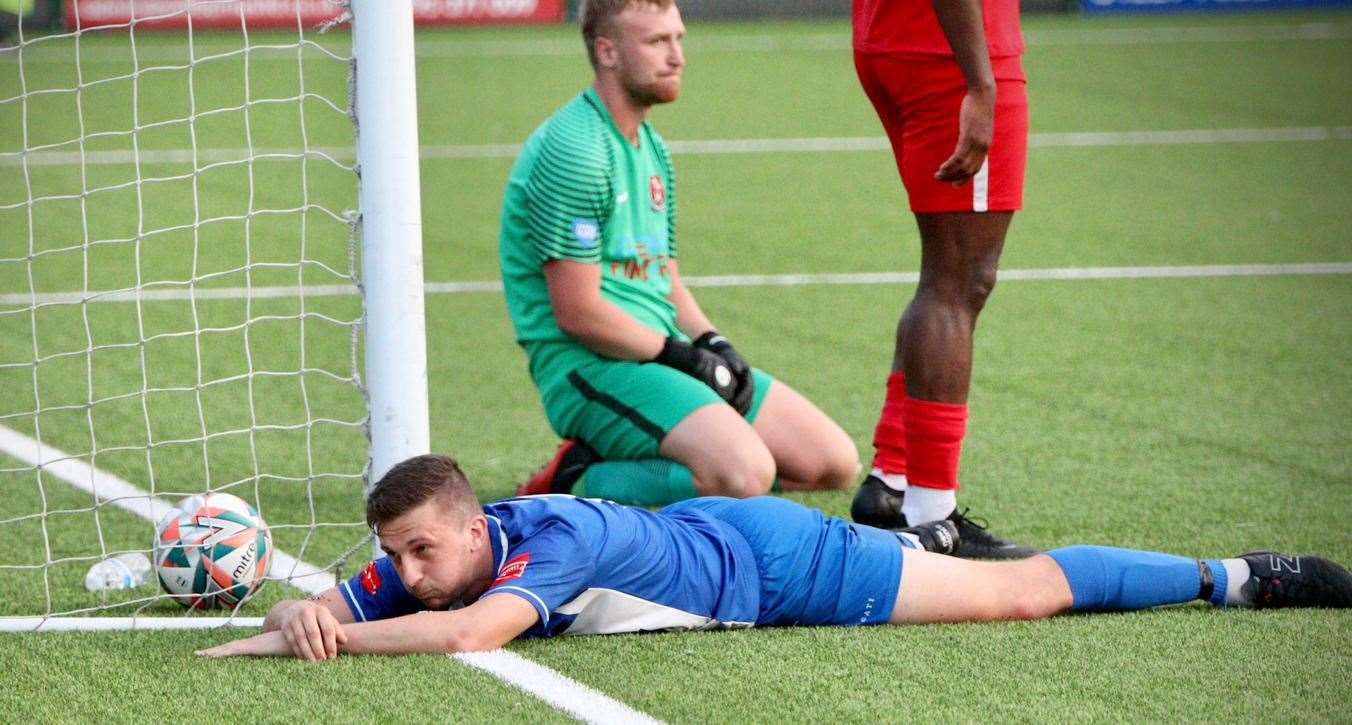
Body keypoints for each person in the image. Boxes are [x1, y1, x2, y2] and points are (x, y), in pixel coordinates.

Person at [198, 454, 1352, 660]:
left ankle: (1234, 575)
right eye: (393, 556)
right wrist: (293, 611)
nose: (401, 571)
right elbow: (349, 601)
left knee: (1018, 594)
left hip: (786, 571)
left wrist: (336, 632)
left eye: (415, 550)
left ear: (470, 526)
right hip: (718, 533)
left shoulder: (541, 550)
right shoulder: (448, 544)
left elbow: (461, 630)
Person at [497, 0, 859, 508]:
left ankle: (650, 462)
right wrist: (685, 358)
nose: (677, 56)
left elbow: (662, 272)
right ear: (607, 52)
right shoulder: (575, 151)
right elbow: (578, 315)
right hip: (590, 367)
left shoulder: (651, 147)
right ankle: (578, 477)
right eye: (656, 42)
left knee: (831, 462)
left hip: (653, 353)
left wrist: (714, 342)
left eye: (679, 39)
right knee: (744, 475)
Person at [847, 0, 1036, 558]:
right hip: (951, 51)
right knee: (958, 285)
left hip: (898, 38)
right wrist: (980, 84)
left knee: (944, 276)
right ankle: (933, 518)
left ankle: (893, 477)